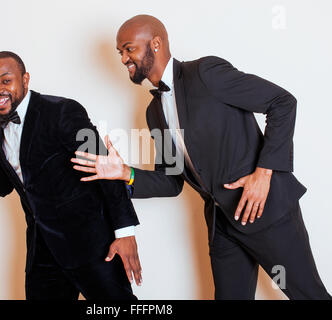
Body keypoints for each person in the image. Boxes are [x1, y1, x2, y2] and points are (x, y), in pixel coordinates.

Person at [71, 15, 331, 299]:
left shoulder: (206, 73)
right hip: (223, 225)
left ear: (155, 44)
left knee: (308, 295)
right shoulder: (153, 112)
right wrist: (125, 173)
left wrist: (264, 173)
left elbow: (282, 103)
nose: (123, 58)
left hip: (267, 211)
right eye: (120, 52)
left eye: (129, 48)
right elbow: (171, 181)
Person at [0, 51, 141, 300]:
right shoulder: (2, 134)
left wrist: (125, 232)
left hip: (93, 249)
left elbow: (106, 168)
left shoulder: (62, 111)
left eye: (5, 80)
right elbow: (3, 184)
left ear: (25, 79)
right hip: (43, 255)